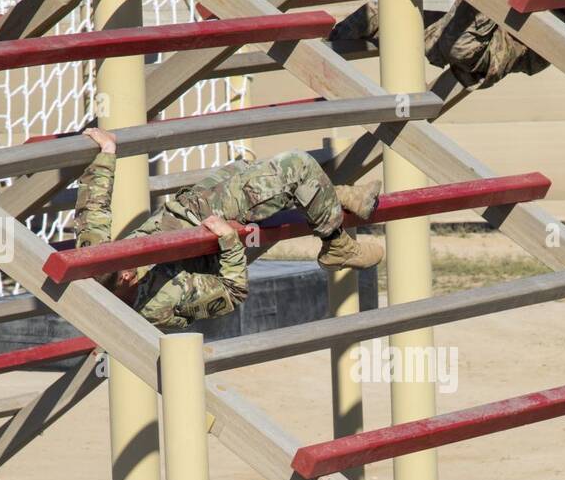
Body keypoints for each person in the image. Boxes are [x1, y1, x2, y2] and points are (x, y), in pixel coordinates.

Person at [73, 128, 383, 331]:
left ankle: (338, 195)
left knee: (245, 171)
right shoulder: (162, 299)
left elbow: (92, 209)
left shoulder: (98, 262)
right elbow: (233, 293)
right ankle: (336, 243)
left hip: (193, 208)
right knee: (295, 167)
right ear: (126, 277)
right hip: (212, 233)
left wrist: (107, 153)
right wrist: (229, 241)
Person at [329, 0, 565, 91]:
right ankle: (327, 46)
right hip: (456, 42)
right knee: (384, 15)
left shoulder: (549, 38)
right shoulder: (539, 15)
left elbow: (521, 7)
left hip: (477, 51)